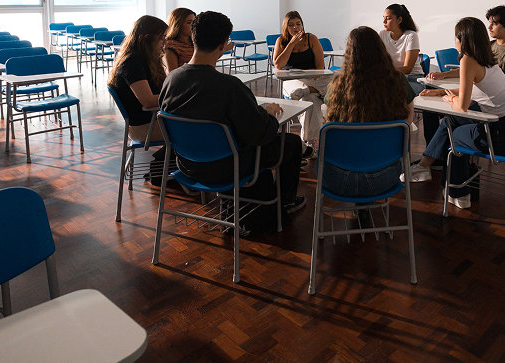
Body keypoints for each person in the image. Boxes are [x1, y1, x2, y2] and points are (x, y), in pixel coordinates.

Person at [159, 11, 305, 220]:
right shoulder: (229, 86)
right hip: (228, 166)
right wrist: (268, 114)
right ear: (223, 44)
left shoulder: (171, 80)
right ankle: (285, 204)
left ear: (193, 37)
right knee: (290, 143)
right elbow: (259, 135)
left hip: (188, 165)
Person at [405, 17, 505, 209]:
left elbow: (462, 105)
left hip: (501, 138)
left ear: (462, 39)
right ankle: (426, 168)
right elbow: (472, 92)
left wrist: (451, 99)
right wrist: (439, 92)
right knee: (452, 121)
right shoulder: (487, 61)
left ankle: (458, 193)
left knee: (454, 134)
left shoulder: (469, 59)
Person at [322, 26, 415, 200]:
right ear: (381, 49)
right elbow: (407, 123)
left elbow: (329, 118)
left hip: (339, 179)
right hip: (383, 178)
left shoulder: (336, 86)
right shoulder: (398, 81)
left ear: (349, 54)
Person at [427, 4, 505, 92]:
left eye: (494, 24)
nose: (489, 27)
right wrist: (444, 75)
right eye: (489, 23)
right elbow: (470, 69)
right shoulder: (489, 45)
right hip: (480, 92)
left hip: (491, 99)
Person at [272, 11, 326, 159]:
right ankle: (309, 143)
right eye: (291, 25)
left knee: (335, 78)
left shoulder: (311, 38)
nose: (295, 27)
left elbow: (321, 67)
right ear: (285, 26)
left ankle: (308, 143)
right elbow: (278, 65)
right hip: (291, 81)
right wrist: (291, 44)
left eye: (298, 24)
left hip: (311, 79)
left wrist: (313, 77)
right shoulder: (281, 41)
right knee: (311, 99)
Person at [108, 14, 168, 146]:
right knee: (199, 126)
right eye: (162, 39)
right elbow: (148, 101)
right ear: (147, 39)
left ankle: (170, 160)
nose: (165, 44)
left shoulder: (146, 59)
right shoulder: (132, 62)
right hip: (144, 127)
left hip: (154, 120)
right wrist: (180, 97)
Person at [381, 3, 425, 95]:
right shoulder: (382, 34)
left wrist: (383, 70)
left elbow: (407, 69)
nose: (384, 21)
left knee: (392, 94)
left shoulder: (411, 36)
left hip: (413, 79)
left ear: (399, 20)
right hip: (391, 79)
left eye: (388, 18)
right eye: (383, 18)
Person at [164, 7, 195, 73]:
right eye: (189, 23)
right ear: (178, 24)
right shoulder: (170, 46)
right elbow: (172, 74)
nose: (193, 26)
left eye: (194, 22)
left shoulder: (196, 43)